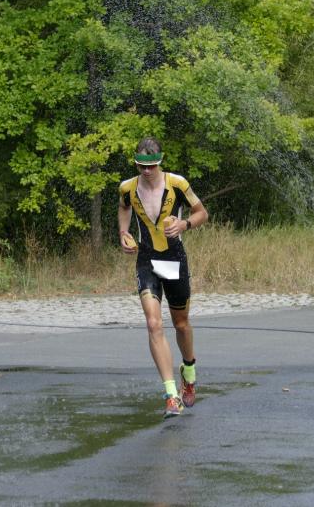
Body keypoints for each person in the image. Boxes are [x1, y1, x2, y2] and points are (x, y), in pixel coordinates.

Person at [118, 137, 209, 419]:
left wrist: (184, 224)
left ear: (160, 162)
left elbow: (202, 213)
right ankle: (171, 395)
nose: (147, 171)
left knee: (181, 324)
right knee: (153, 323)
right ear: (136, 164)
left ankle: (189, 372)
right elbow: (124, 208)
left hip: (174, 259)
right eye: (141, 166)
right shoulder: (127, 188)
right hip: (147, 260)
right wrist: (123, 233)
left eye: (152, 166)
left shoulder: (177, 183)